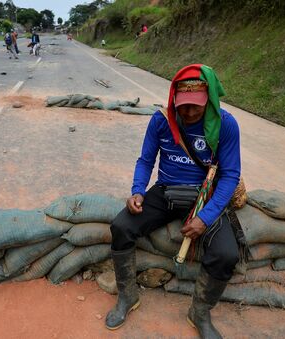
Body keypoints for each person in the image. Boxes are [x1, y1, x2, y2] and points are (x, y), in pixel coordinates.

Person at [104, 64, 241, 339]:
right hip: (165, 190)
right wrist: (138, 191)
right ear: (173, 99)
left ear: (209, 101)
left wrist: (205, 218)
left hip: (205, 197)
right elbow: (145, 160)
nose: (189, 113)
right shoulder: (160, 120)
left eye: (196, 107)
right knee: (121, 226)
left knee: (227, 254)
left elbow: (230, 176)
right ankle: (128, 296)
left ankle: (200, 313)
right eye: (183, 106)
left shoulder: (225, 125)